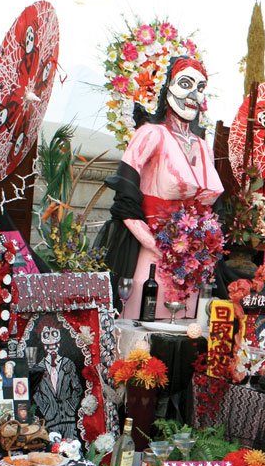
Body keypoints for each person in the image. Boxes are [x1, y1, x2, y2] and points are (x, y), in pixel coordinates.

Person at [94, 56, 223, 319]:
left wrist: (202, 249)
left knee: (190, 334)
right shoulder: (151, 134)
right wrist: (158, 246)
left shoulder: (203, 146)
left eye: (200, 88)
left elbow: (213, 212)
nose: (192, 95)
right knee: (145, 334)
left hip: (193, 268)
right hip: (153, 259)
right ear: (168, 87)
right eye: (185, 84)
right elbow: (125, 201)